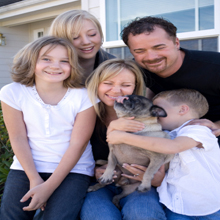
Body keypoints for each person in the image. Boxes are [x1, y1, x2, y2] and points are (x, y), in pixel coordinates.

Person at [0, 36, 96, 220]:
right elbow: (18, 138)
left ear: (73, 66)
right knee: (11, 216)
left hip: (73, 169)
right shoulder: (12, 92)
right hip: (27, 166)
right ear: (31, 60)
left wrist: (48, 187)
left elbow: (78, 144)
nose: (55, 66)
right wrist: (35, 179)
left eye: (64, 61)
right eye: (46, 59)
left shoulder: (84, 96)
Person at [107, 89, 220, 219]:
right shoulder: (168, 134)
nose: (155, 115)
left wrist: (123, 137)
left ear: (182, 110)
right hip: (176, 205)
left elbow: (174, 147)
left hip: (209, 206)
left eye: (159, 112)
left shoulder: (199, 130)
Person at [80, 58, 167, 220]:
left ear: (135, 87)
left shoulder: (148, 114)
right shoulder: (84, 113)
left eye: (126, 85)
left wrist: (160, 177)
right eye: (108, 83)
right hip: (99, 183)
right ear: (96, 84)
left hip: (137, 183)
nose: (116, 90)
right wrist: (92, 171)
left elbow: (166, 150)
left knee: (143, 214)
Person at [121, 16, 220, 139]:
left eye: (159, 47)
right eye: (140, 51)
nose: (151, 57)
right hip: (165, 137)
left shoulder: (215, 66)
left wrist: (217, 126)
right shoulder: (136, 72)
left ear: (176, 43)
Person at [49, 9, 115, 83]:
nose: (86, 42)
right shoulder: (47, 69)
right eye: (75, 37)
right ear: (59, 40)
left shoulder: (115, 67)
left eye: (92, 34)